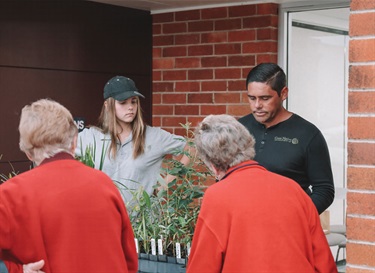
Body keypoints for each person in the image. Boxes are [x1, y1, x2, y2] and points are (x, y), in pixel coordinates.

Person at [0, 99, 138, 273]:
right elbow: (130, 261)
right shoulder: (105, 185)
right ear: (74, 141)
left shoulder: (10, 196)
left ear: (28, 152)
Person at [187, 114, 337, 272]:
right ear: (249, 144)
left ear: (212, 165)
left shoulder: (216, 196)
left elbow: (203, 265)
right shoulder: (293, 188)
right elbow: (324, 263)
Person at [238, 62, 334, 214]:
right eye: (252, 98)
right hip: (242, 226)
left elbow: (324, 191)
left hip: (287, 230)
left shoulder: (308, 134)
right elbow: (223, 179)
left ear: (283, 93)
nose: (257, 105)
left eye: (265, 98)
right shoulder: (237, 129)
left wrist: (296, 218)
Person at [76, 76, 189, 204]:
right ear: (107, 105)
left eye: (133, 101)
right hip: (106, 219)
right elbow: (54, 151)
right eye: (123, 102)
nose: (130, 107)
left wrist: (167, 182)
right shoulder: (91, 137)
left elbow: (191, 149)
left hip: (144, 221)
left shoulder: (154, 136)